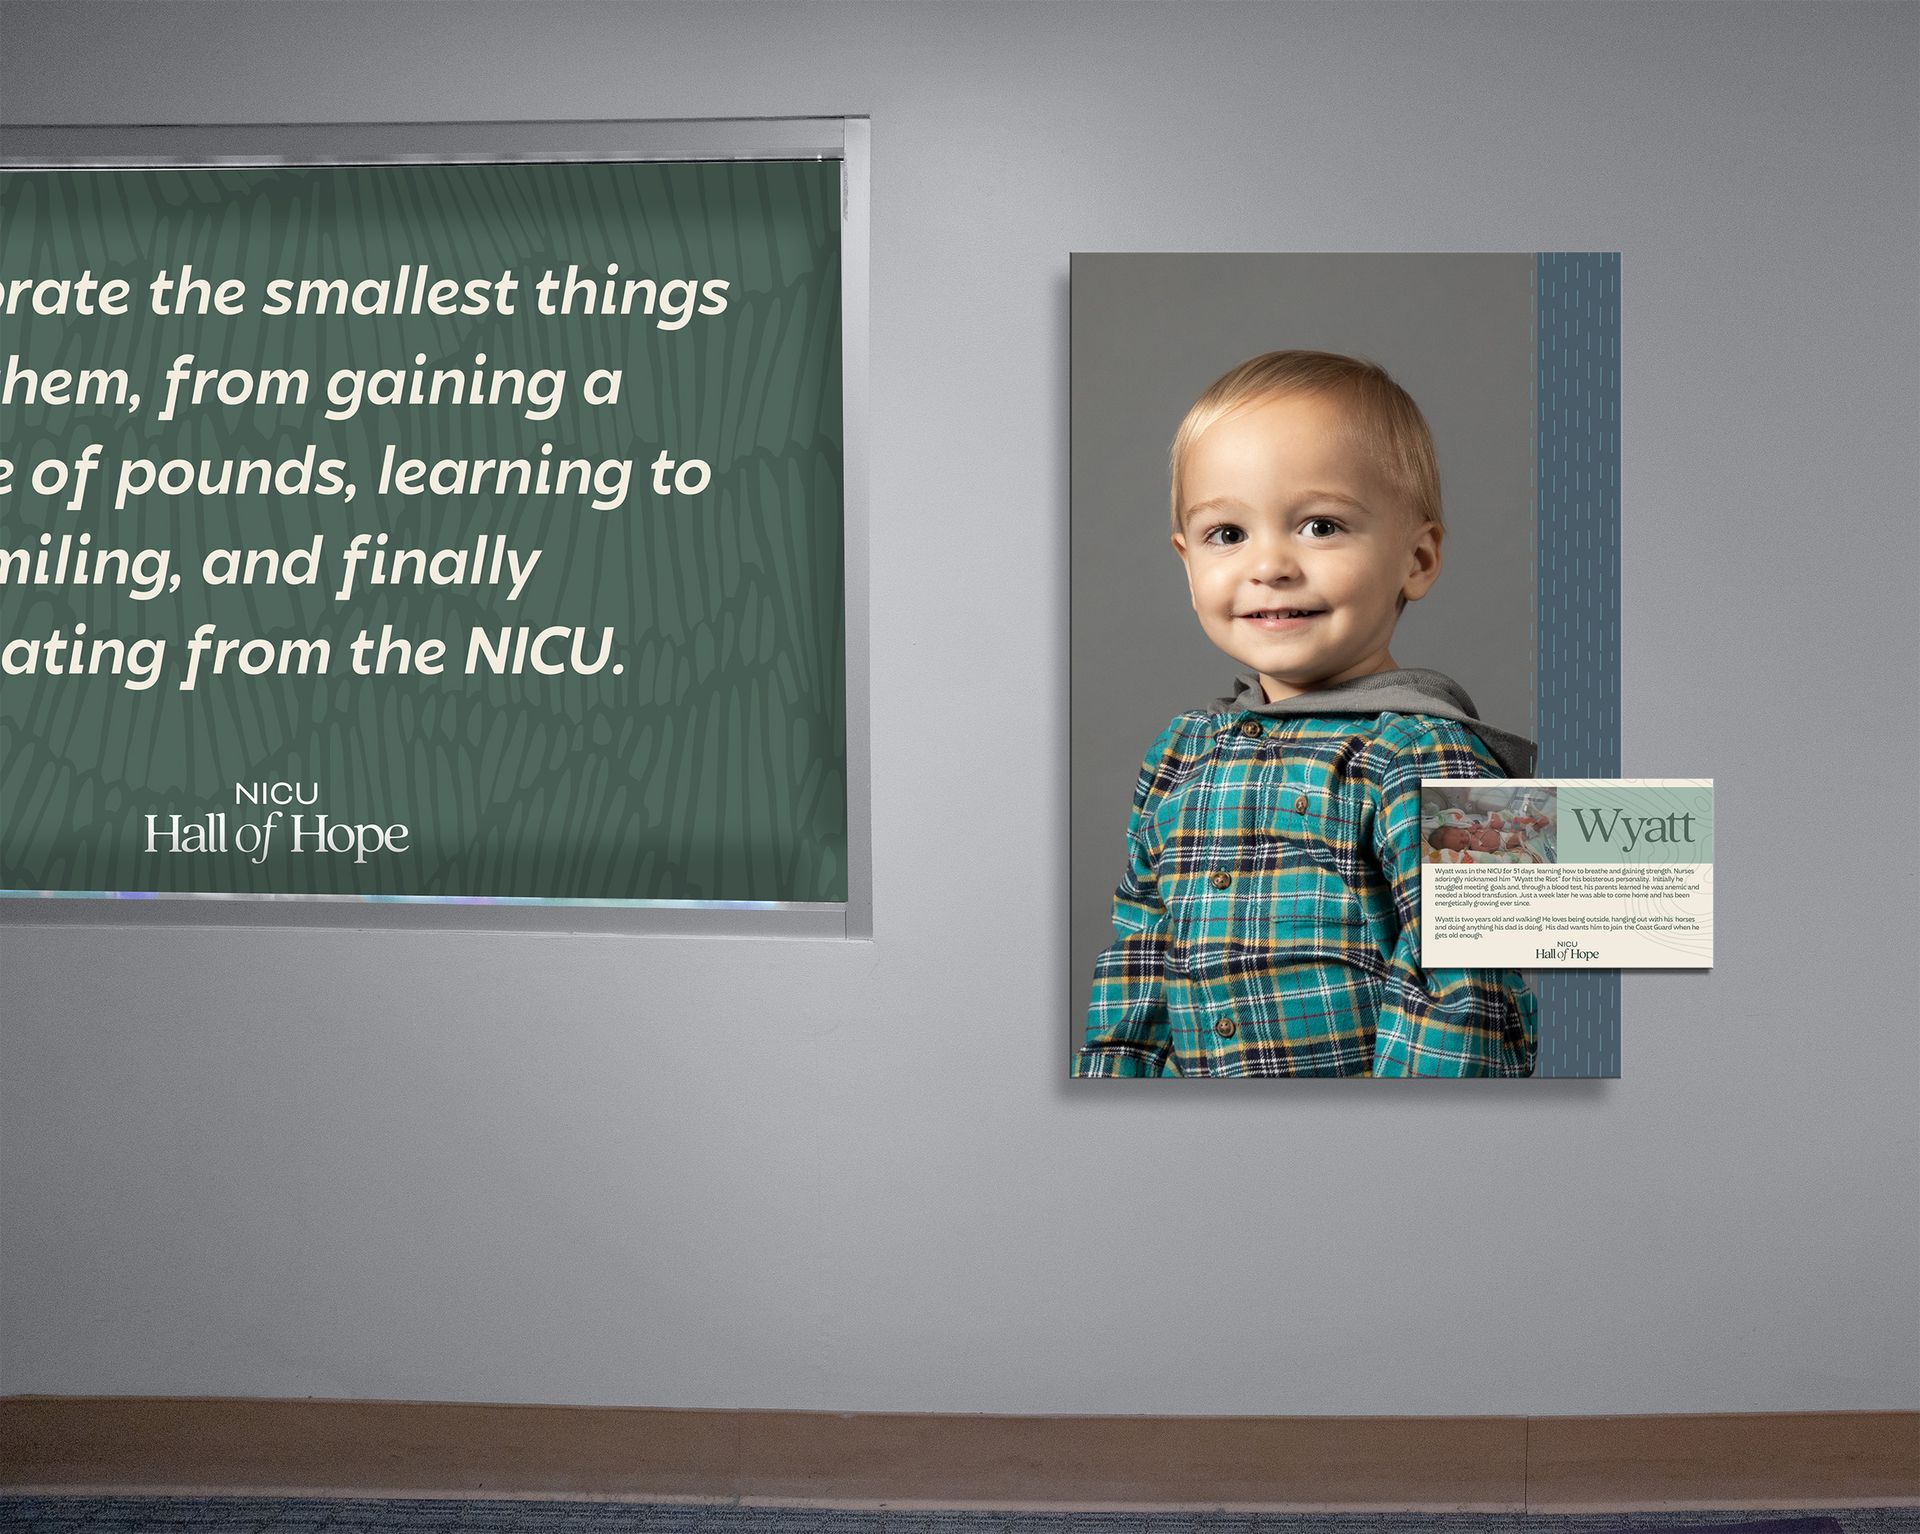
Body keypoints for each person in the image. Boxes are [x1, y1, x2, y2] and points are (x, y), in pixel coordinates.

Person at [1074, 350, 1537, 1077]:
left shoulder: (1430, 756)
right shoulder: (1181, 756)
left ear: (1416, 559)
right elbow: (1136, 975)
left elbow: (1468, 1001)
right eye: (1228, 535)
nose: (1271, 565)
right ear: (1187, 563)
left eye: (1320, 526)